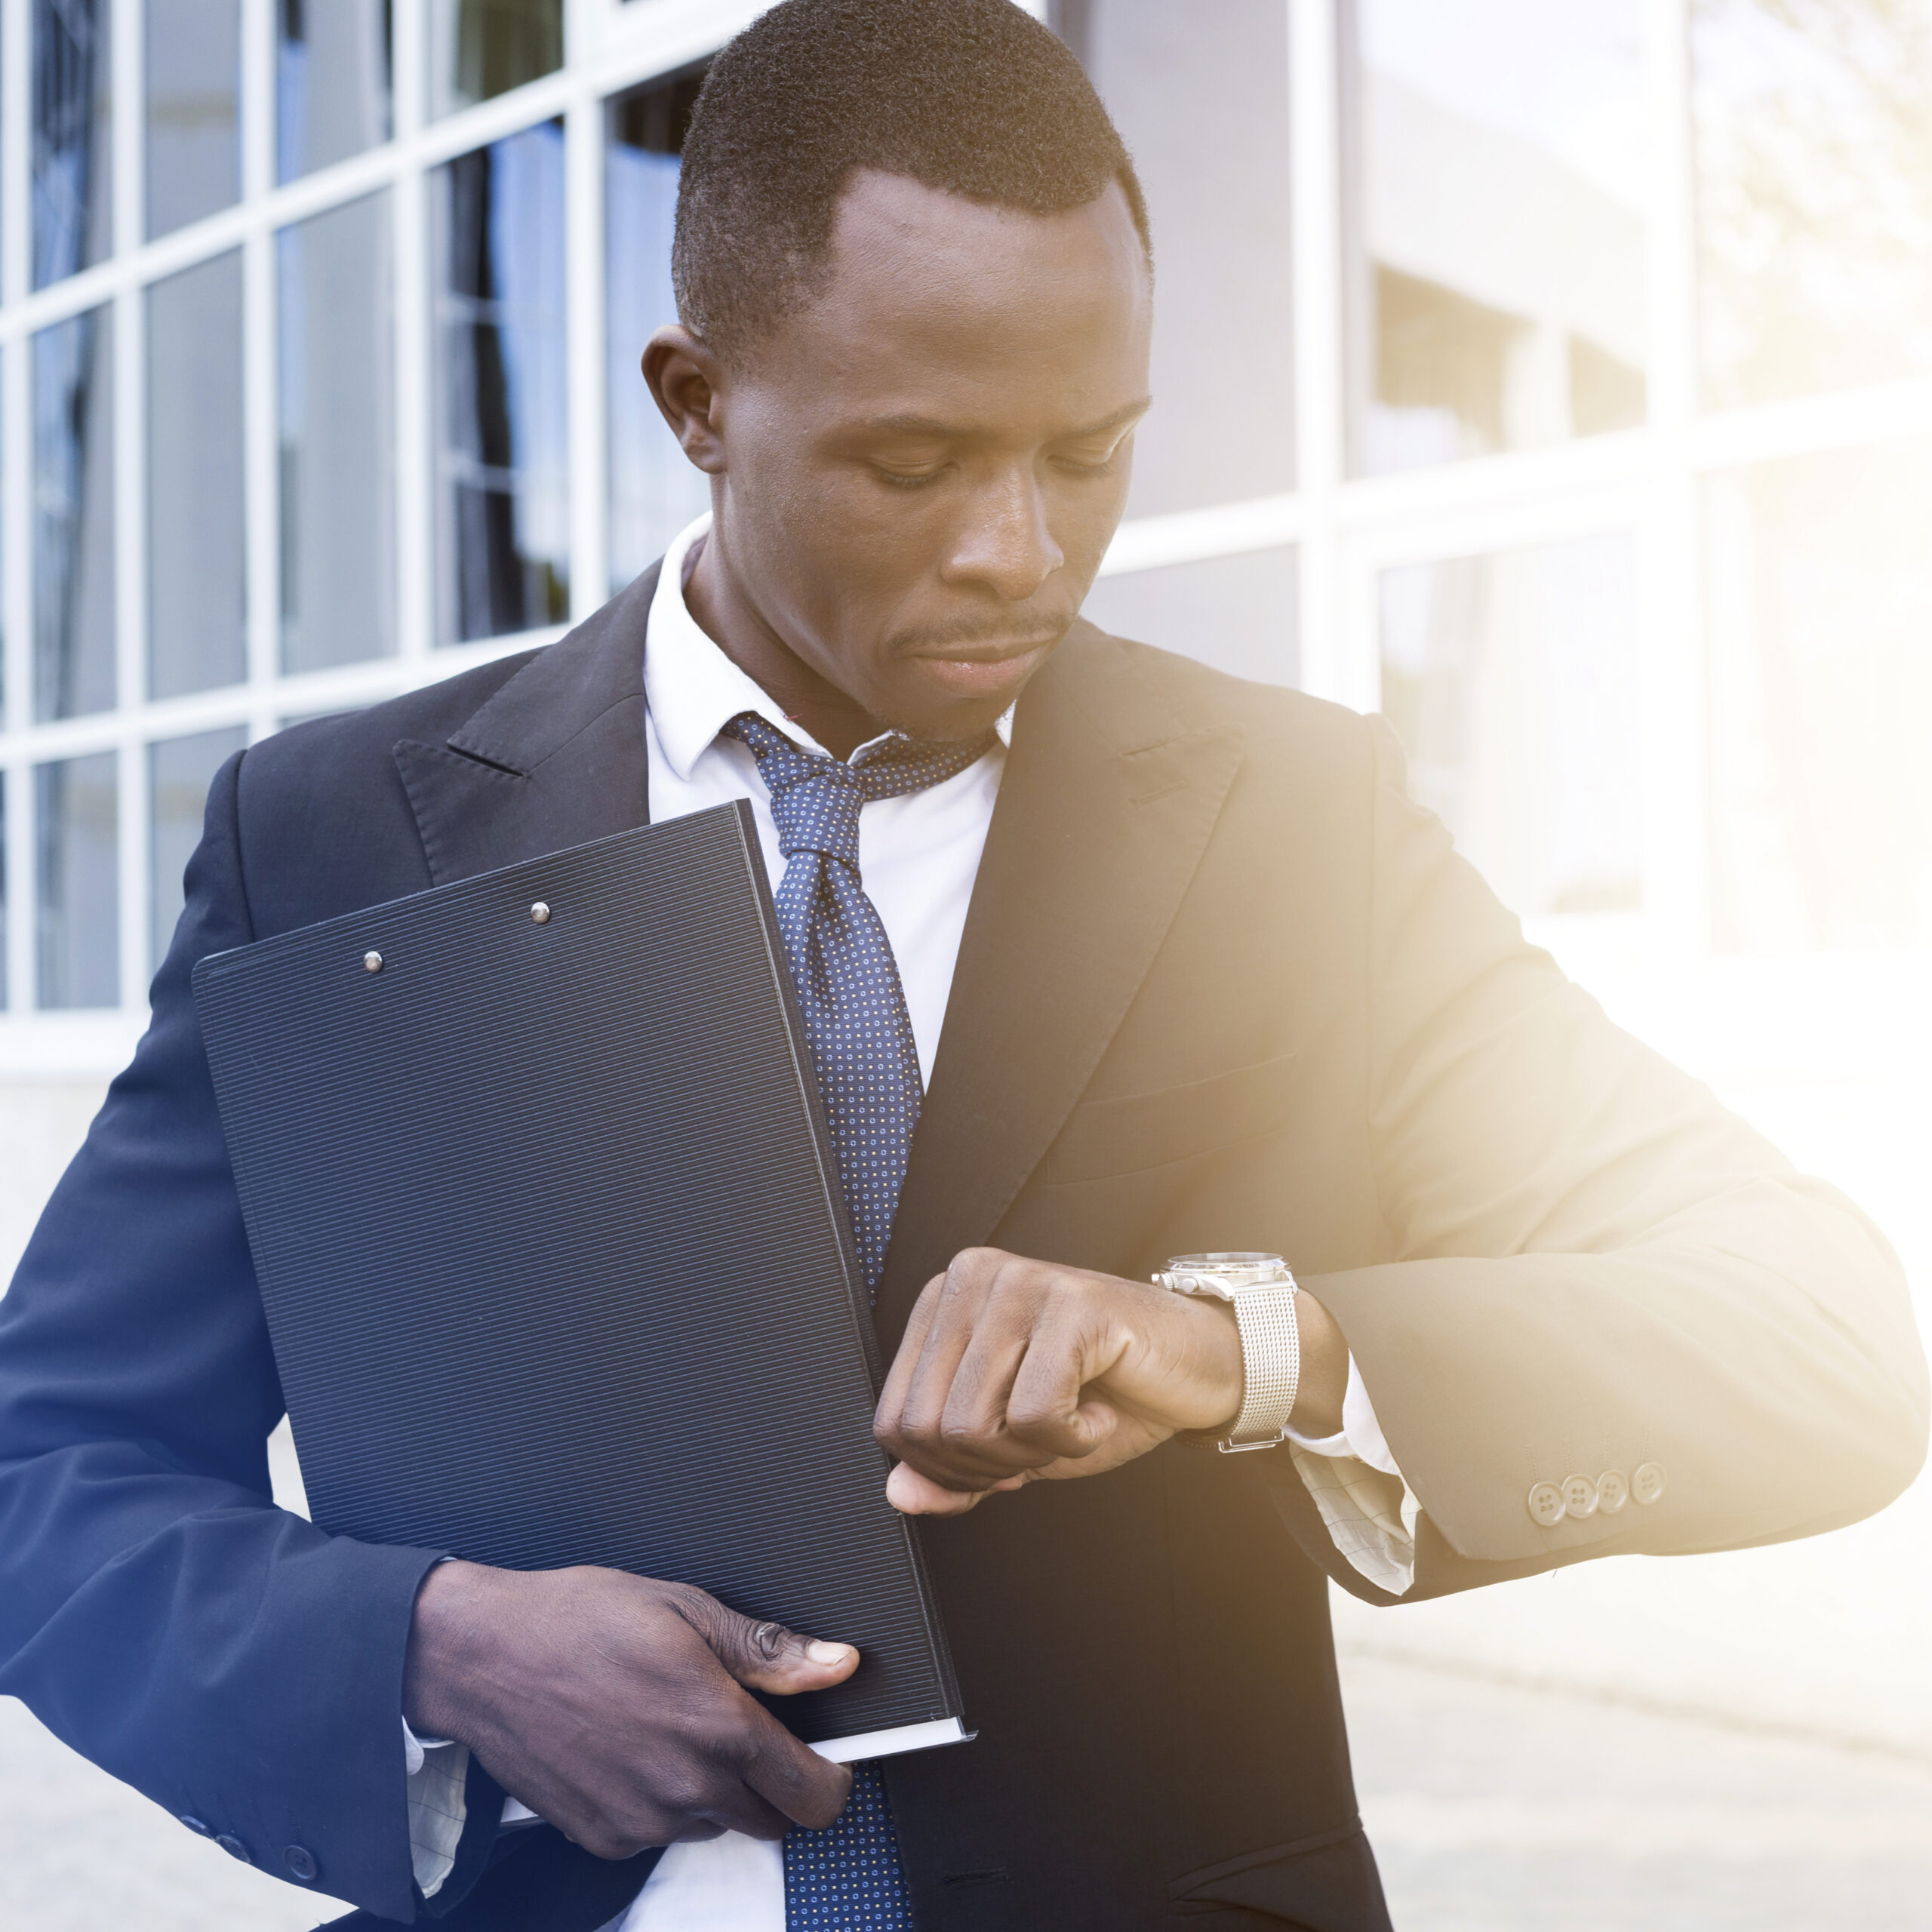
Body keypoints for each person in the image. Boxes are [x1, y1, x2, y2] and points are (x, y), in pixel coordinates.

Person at [0, 2, 1923, 1928]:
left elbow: (1823, 1341)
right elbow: (45, 1467)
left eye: (1087, 454)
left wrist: (1246, 1343)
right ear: (695, 399)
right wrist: (426, 1642)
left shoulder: (1290, 829)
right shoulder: (333, 839)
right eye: (912, 463)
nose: (1019, 550)